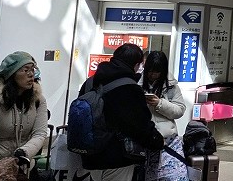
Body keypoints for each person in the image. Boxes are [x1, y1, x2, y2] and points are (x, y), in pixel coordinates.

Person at [79, 43, 164, 181]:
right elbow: (139, 125)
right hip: (117, 158)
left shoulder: (90, 82)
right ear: (136, 65)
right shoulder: (129, 88)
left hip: (89, 156)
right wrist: (157, 141)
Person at [0, 51, 47, 168]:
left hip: (24, 166)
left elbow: (40, 133)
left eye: (32, 69)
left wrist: (24, 152)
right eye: (25, 70)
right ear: (11, 75)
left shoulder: (38, 101)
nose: (31, 74)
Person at [141, 51, 187, 181]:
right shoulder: (136, 83)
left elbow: (179, 110)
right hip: (144, 141)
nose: (152, 75)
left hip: (168, 141)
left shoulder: (171, 86)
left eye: (157, 72)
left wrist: (159, 103)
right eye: (150, 71)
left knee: (174, 177)